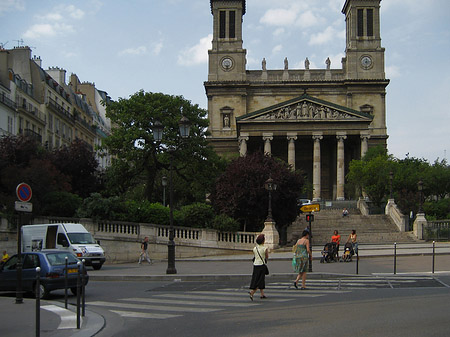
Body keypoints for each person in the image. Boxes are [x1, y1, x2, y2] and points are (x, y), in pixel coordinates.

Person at [249, 234, 269, 300]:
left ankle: (262, 294)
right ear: (263, 241)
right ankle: (252, 292)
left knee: (257, 279)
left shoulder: (255, 248)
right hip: (261, 265)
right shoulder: (265, 248)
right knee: (260, 280)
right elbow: (266, 257)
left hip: (255, 265)